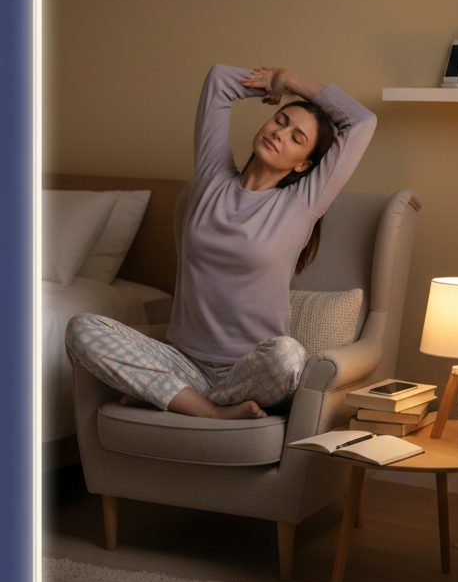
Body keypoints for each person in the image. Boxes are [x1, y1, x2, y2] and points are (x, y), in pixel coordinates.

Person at [65, 64, 376, 420]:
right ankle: (209, 409)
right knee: (82, 329)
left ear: (304, 165)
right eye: (280, 120)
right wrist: (267, 85)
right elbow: (219, 80)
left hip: (250, 370)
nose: (281, 133)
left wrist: (289, 81)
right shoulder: (212, 176)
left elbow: (362, 122)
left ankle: (171, 396)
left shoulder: (301, 204)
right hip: (181, 359)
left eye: (296, 138)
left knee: (288, 356)